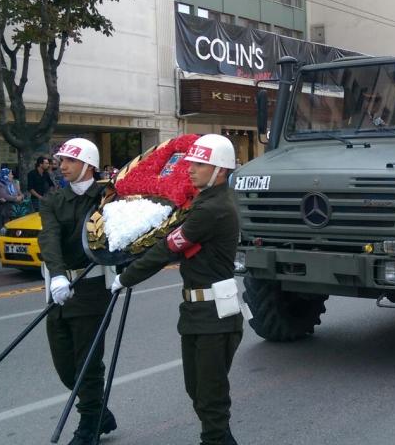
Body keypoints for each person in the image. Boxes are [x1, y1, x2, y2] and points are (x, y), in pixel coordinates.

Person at [112, 134, 242, 445]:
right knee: (196, 389)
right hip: (197, 311)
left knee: (210, 395)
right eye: (191, 163)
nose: (190, 169)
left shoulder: (214, 208)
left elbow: (169, 247)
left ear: (220, 170)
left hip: (214, 315)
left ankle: (216, 440)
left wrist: (127, 276)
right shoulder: (203, 202)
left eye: (199, 164)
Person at [38, 138, 118, 445]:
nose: (63, 167)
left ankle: (89, 426)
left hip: (93, 288)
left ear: (88, 164)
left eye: (70, 161)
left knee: (88, 361)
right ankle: (99, 411)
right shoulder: (53, 200)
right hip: (59, 289)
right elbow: (49, 238)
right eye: (61, 161)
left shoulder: (108, 198)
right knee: (65, 366)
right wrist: (57, 276)